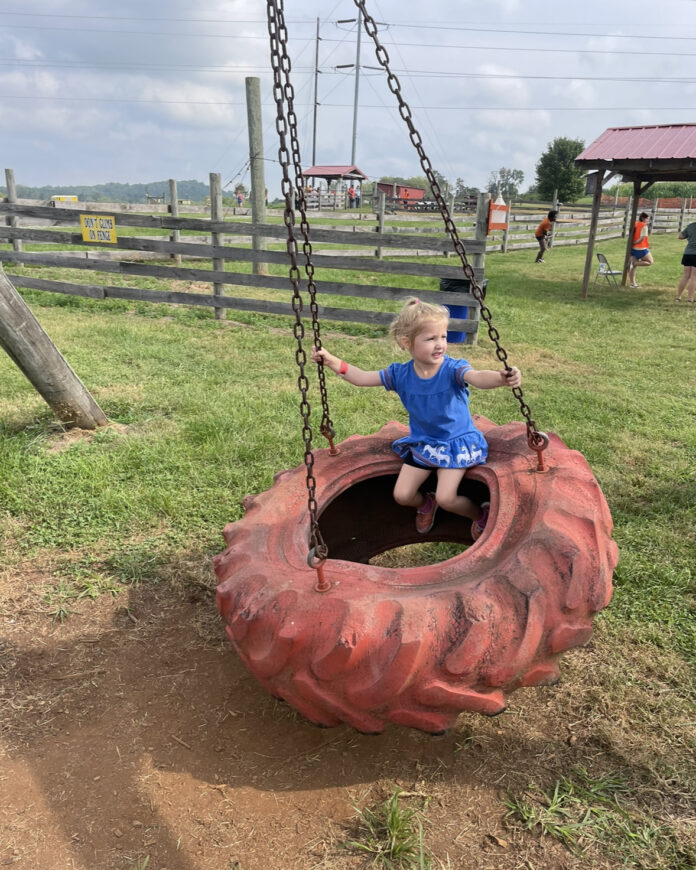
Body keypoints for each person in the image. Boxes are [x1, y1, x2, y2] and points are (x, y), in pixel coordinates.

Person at [311, 298, 522, 540]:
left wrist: (501, 378)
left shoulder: (453, 369)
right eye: (430, 339)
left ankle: (480, 515)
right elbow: (361, 377)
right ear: (406, 343)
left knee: (448, 497)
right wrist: (331, 361)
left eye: (443, 336)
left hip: (456, 444)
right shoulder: (400, 374)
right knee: (402, 495)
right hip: (425, 443)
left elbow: (477, 377)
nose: (440, 344)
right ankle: (426, 504)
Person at [628, 211, 654, 287]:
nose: (647, 220)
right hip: (641, 248)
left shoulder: (635, 223)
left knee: (633, 268)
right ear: (643, 218)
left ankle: (632, 283)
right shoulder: (644, 226)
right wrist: (635, 243)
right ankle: (635, 263)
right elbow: (642, 238)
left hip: (633, 249)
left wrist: (632, 244)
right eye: (647, 219)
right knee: (650, 262)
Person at [676, 220, 696, 302]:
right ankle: (690, 298)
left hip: (687, 253)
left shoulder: (691, 226)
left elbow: (680, 236)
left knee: (685, 275)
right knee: (694, 276)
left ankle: (678, 296)